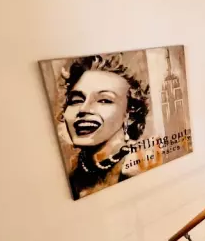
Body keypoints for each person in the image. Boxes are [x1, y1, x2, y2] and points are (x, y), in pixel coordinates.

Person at [59, 54, 150, 200]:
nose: (83, 109)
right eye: (76, 100)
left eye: (104, 100)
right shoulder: (71, 177)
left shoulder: (138, 167)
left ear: (129, 114)